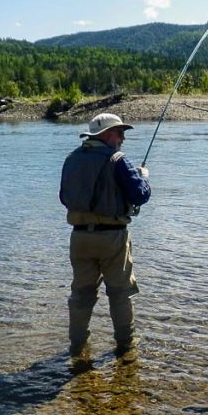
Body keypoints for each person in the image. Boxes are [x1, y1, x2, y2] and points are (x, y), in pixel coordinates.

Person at [59, 113, 151, 357]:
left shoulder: (71, 159)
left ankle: (77, 347)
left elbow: (63, 198)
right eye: (119, 133)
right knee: (120, 293)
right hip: (112, 239)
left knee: (81, 295)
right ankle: (126, 347)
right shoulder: (117, 160)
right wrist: (143, 177)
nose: (122, 139)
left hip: (79, 239)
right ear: (107, 134)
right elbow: (140, 195)